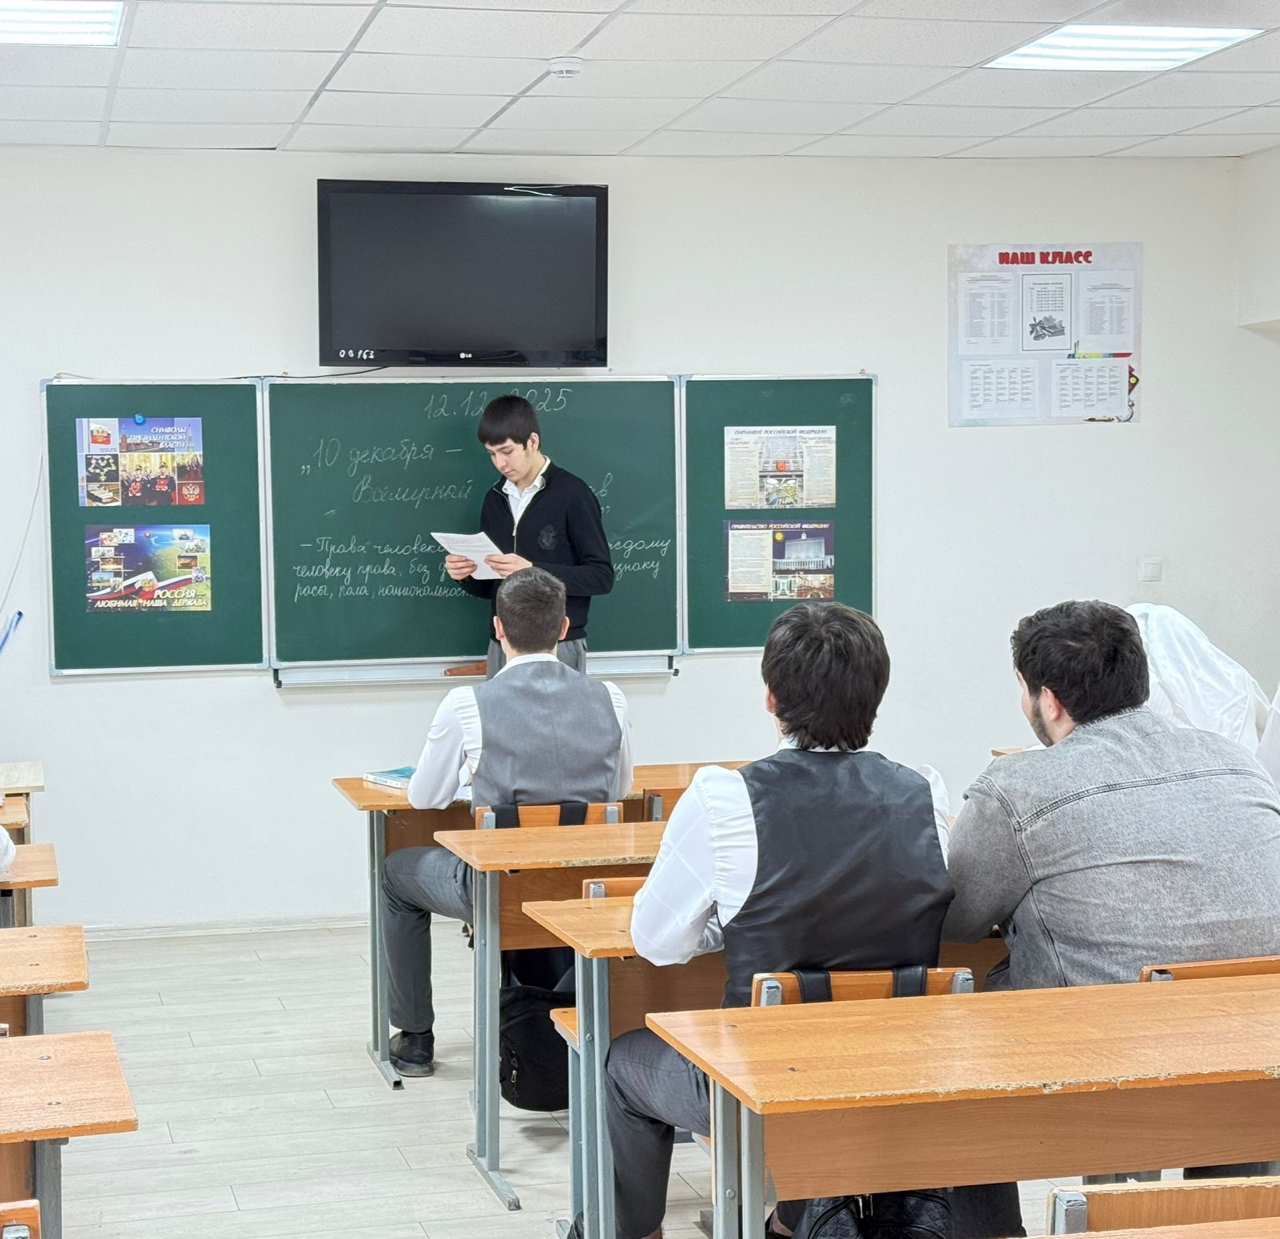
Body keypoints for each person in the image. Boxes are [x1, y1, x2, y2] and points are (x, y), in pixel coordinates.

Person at [602, 602, 954, 1239]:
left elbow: (655, 943)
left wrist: (727, 922)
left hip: (761, 1083)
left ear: (771, 697)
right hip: (894, 1073)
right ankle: (790, 1225)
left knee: (624, 1063)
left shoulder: (724, 797)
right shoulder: (924, 791)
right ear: (876, 696)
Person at [945, 601, 1280, 1237]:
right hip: (1258, 1062)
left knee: (956, 1032)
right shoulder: (1237, 763)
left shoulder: (1017, 787)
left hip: (1102, 1066)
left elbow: (957, 921)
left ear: (1049, 701)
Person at [383, 566, 632, 1078]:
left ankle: (415, 1039)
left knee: (394, 876)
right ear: (564, 628)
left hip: (501, 888)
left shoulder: (466, 703)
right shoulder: (610, 697)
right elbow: (619, 790)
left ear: (498, 629)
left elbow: (426, 797)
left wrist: (472, 781)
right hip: (587, 883)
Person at [445, 396, 614, 677]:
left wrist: (532, 570)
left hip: (557, 644)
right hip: (503, 643)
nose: (500, 463)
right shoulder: (494, 499)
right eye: (491, 454)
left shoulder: (573, 494)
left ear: (532, 442)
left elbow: (601, 577)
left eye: (507, 451)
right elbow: (489, 588)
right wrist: (465, 575)